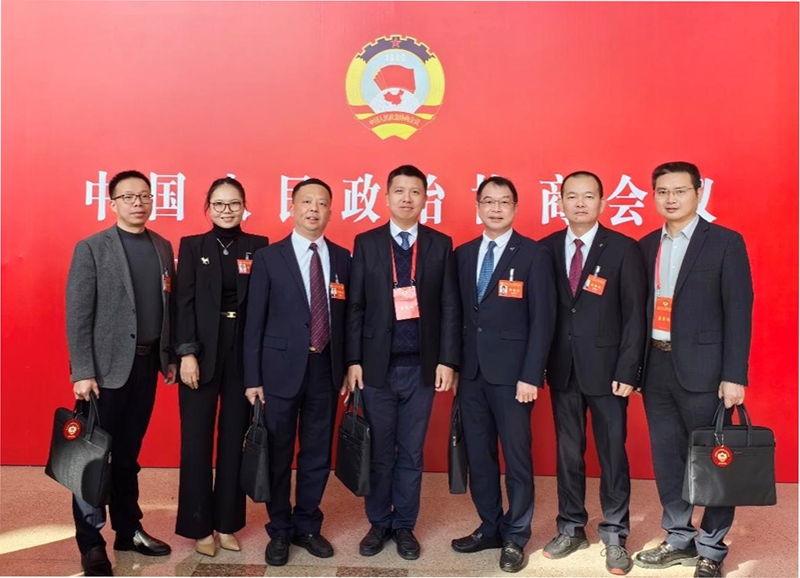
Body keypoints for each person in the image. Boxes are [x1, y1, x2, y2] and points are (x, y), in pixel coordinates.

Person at [633, 162, 753, 578]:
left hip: (706, 372)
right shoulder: (646, 246)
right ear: (653, 196)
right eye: (662, 191)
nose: (671, 199)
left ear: (699, 193)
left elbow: (739, 312)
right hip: (656, 367)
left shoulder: (724, 243)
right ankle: (679, 536)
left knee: (714, 460)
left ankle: (712, 548)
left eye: (680, 191)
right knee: (668, 459)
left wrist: (734, 375)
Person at [346, 164, 460, 561]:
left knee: (411, 452)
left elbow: (449, 306)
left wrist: (447, 360)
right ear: (386, 197)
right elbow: (356, 305)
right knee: (379, 451)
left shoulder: (440, 244)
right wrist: (353, 359)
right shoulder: (366, 242)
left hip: (421, 368)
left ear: (426, 198)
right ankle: (379, 522)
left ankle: (405, 524)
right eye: (399, 191)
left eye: (415, 192)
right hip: (377, 367)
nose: (407, 198)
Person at [66, 170, 176, 576]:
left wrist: (168, 358)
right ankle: (91, 543)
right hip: (103, 373)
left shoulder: (162, 246)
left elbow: (168, 308)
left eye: (144, 196)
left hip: (146, 367)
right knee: (92, 459)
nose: (138, 203)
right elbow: (78, 313)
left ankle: (129, 531)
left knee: (129, 456)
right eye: (128, 196)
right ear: (112, 203)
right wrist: (83, 371)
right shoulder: (92, 247)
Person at [539, 171, 647, 575]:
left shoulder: (623, 248)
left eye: (588, 196)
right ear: (560, 203)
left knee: (612, 454)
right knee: (568, 454)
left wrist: (628, 368)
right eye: (572, 196)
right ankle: (571, 527)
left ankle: (615, 534)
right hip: (562, 369)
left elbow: (635, 315)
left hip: (608, 373)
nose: (580, 203)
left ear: (602, 202)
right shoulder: (546, 248)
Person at [451, 176, 556, 573]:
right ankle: (490, 526)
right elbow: (456, 315)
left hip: (514, 377)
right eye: (488, 201)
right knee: (479, 456)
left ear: (515, 207)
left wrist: (531, 374)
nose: (496, 209)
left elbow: (543, 319)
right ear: (478, 206)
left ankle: (516, 534)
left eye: (504, 202)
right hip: (471, 374)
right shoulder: (463, 254)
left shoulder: (533, 254)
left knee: (516, 459)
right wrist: (454, 365)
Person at [243, 178, 351, 566]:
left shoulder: (342, 258)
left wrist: (349, 366)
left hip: (325, 368)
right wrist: (252, 378)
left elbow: (349, 319)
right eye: (306, 202)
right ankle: (279, 528)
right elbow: (253, 322)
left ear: (331, 211)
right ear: (292, 208)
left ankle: (307, 524)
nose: (314, 210)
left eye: (322, 203)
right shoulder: (269, 257)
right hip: (278, 371)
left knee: (317, 452)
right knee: (278, 452)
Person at [174, 177, 269, 556]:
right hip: (200, 354)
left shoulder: (258, 246)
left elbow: (264, 304)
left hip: (242, 353)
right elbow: (182, 303)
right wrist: (186, 353)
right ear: (208, 208)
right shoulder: (193, 245)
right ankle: (199, 526)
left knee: (234, 441)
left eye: (234, 204)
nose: (226, 210)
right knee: (196, 442)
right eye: (219, 204)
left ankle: (227, 523)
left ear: (244, 207)